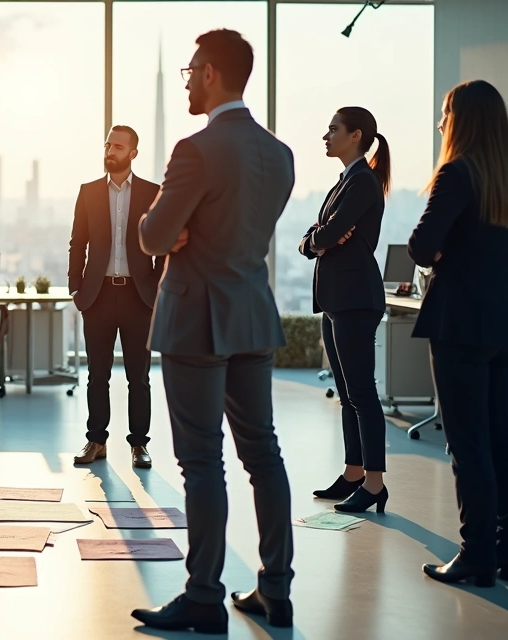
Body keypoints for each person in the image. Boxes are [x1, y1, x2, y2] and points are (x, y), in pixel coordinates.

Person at [130, 29, 295, 632]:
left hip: (196, 319)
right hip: (252, 313)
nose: (188, 82)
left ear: (211, 74)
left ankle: (204, 596)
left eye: (191, 71)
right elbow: (245, 230)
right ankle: (276, 589)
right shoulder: (280, 154)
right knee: (264, 454)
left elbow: (151, 236)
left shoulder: (195, 150)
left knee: (202, 463)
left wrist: (168, 227)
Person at [410, 79, 508, 588]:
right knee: (500, 435)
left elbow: (420, 247)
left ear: (461, 120)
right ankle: (507, 553)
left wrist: (442, 253)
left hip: (460, 322)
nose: (441, 122)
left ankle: (475, 555)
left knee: (467, 443)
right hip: (504, 321)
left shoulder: (456, 174)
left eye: (445, 113)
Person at [298, 107, 393, 513]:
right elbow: (318, 237)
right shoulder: (346, 181)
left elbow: (331, 234)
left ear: (356, 135)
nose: (326, 135)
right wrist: (318, 239)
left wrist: (324, 237)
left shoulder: (363, 183)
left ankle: (374, 483)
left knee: (361, 393)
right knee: (347, 394)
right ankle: (354, 473)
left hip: (355, 299)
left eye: (333, 129)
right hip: (337, 298)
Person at [68, 125, 162, 469]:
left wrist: (156, 288)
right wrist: (75, 288)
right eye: (108, 144)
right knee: (97, 375)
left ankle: (139, 445)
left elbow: (163, 245)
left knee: (138, 376)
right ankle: (97, 441)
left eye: (118, 147)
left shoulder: (153, 192)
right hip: (98, 295)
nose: (111, 151)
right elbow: (78, 242)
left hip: (140, 297)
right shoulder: (88, 192)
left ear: (132, 153)